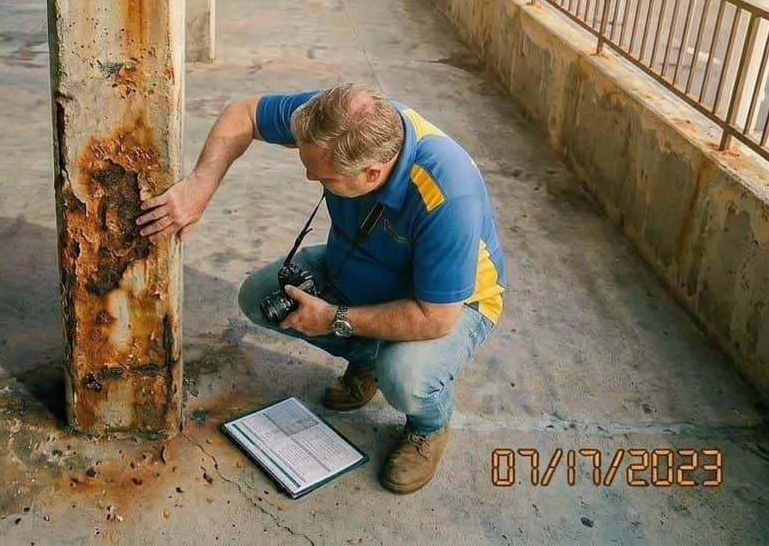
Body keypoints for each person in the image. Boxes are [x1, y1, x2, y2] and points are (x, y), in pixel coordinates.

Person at [137, 84, 507, 494]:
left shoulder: (449, 196)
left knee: (404, 376)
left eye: (323, 176)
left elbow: (436, 317)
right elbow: (243, 112)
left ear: (372, 173)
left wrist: (334, 319)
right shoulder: (337, 118)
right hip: (360, 264)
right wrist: (200, 186)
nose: (310, 176)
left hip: (449, 304)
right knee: (259, 297)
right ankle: (367, 361)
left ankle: (428, 426)